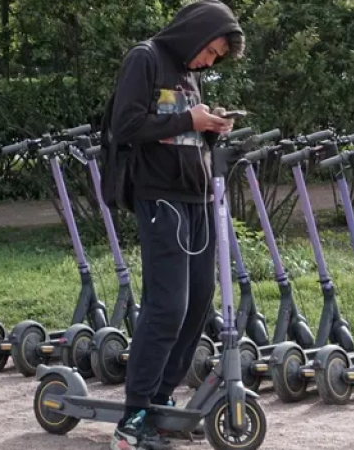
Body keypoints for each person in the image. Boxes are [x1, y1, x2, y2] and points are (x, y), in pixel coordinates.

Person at [104, 1, 245, 449]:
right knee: (167, 306)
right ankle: (135, 417)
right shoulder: (145, 58)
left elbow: (177, 131)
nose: (209, 61)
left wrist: (209, 128)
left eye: (216, 59)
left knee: (198, 304)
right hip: (159, 197)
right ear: (195, 32)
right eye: (211, 52)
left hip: (198, 197)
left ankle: (161, 406)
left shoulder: (190, 73)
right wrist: (190, 118)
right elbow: (125, 125)